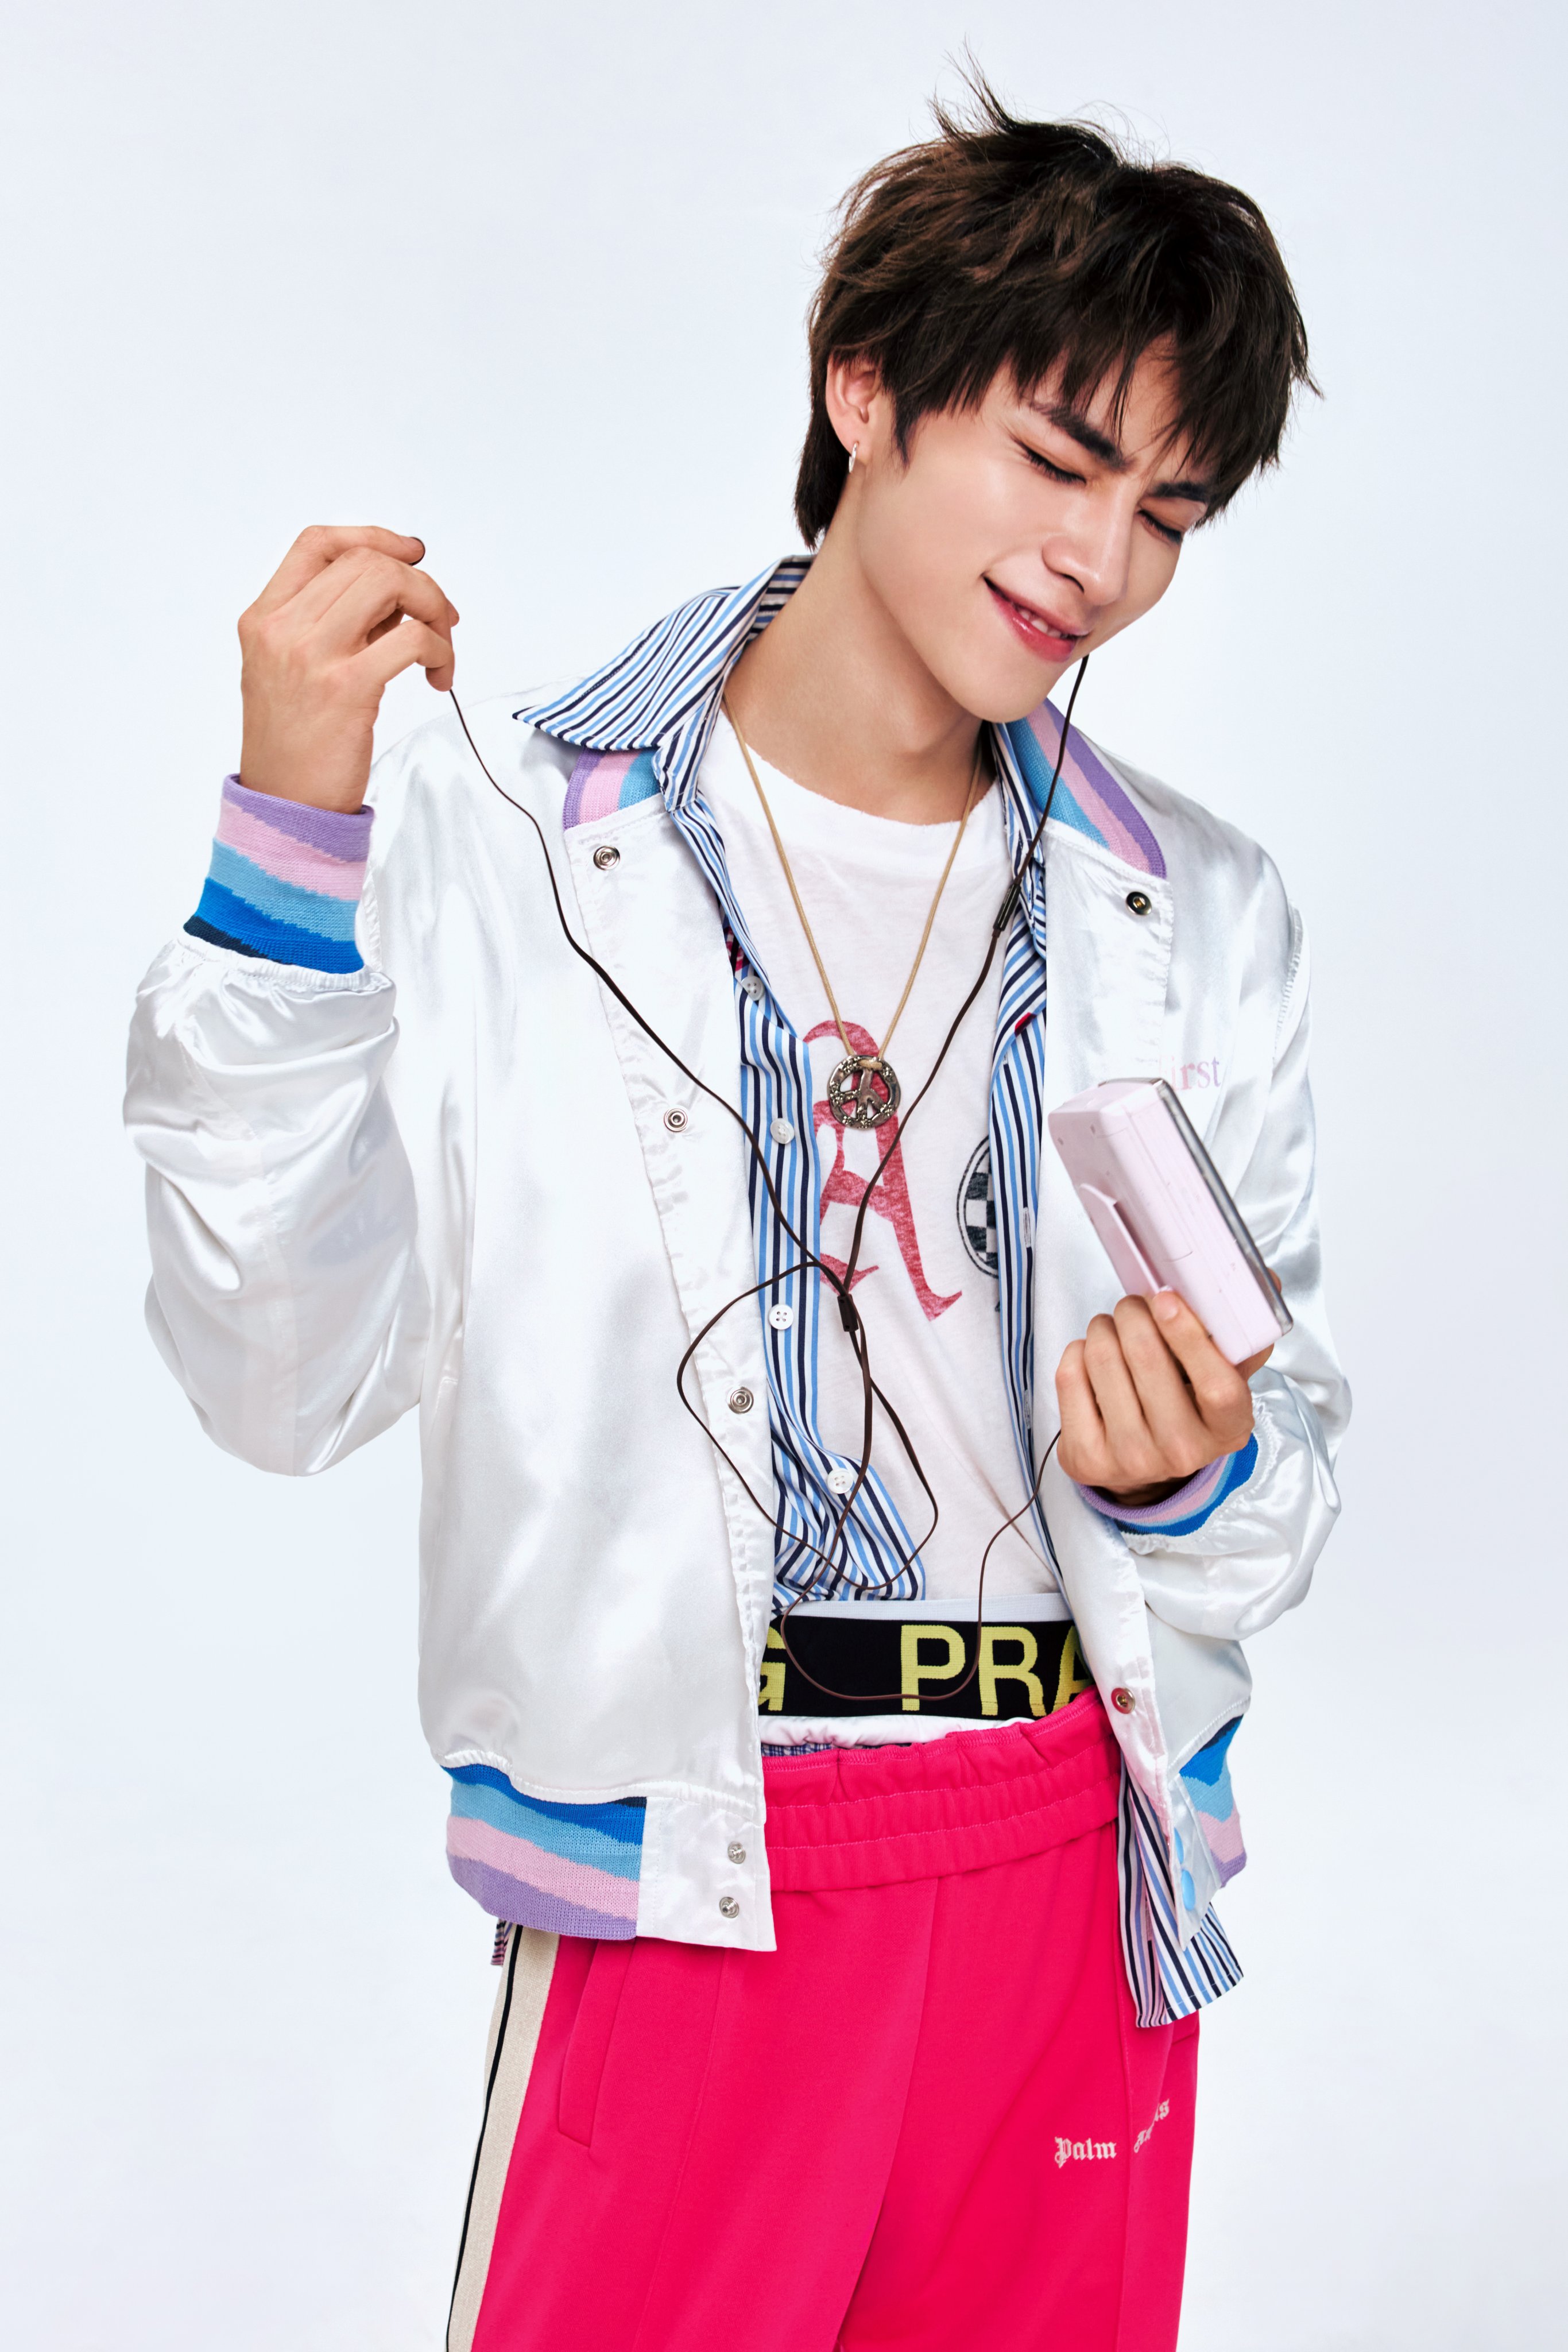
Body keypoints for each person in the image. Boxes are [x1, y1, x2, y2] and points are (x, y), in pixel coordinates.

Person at [125, 80, 1348, 2352]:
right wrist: (286, 854)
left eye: (1166, 512)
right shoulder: (514, 843)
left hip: (1081, 1861)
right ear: (862, 385)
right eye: (1058, 460)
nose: (1098, 561)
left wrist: (1195, 1473)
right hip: (701, 1868)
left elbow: (1281, 1486)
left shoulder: (1189, 906)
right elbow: (278, 1378)